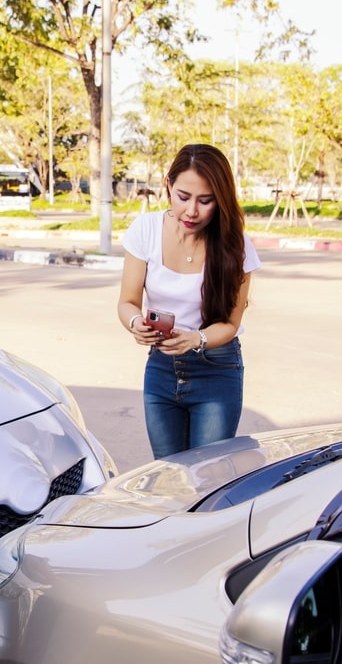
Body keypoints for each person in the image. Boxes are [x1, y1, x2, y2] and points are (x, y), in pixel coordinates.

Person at [118, 143, 260, 460]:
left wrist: (197, 338)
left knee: (208, 478)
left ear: (220, 199)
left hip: (216, 369)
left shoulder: (236, 245)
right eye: (183, 197)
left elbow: (230, 325)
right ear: (168, 186)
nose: (192, 211)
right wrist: (135, 324)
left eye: (205, 201)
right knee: (169, 476)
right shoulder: (145, 230)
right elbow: (127, 301)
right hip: (161, 370)